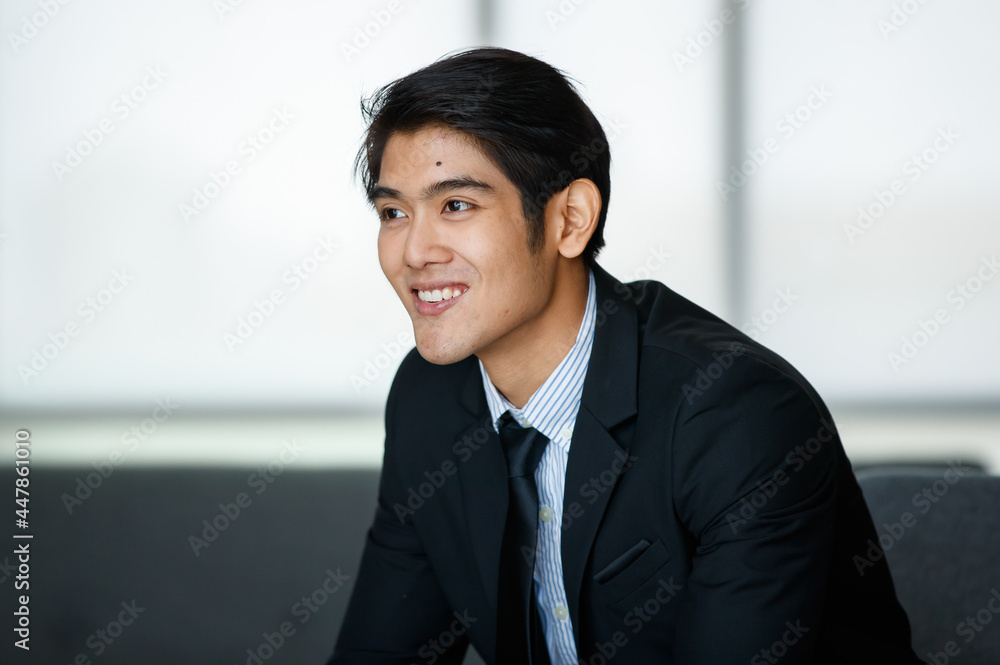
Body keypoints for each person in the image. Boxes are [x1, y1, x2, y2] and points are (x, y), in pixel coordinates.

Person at [329, 46, 923, 665]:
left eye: (456, 205)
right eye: (393, 212)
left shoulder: (734, 411)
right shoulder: (429, 396)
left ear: (570, 220)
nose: (414, 251)